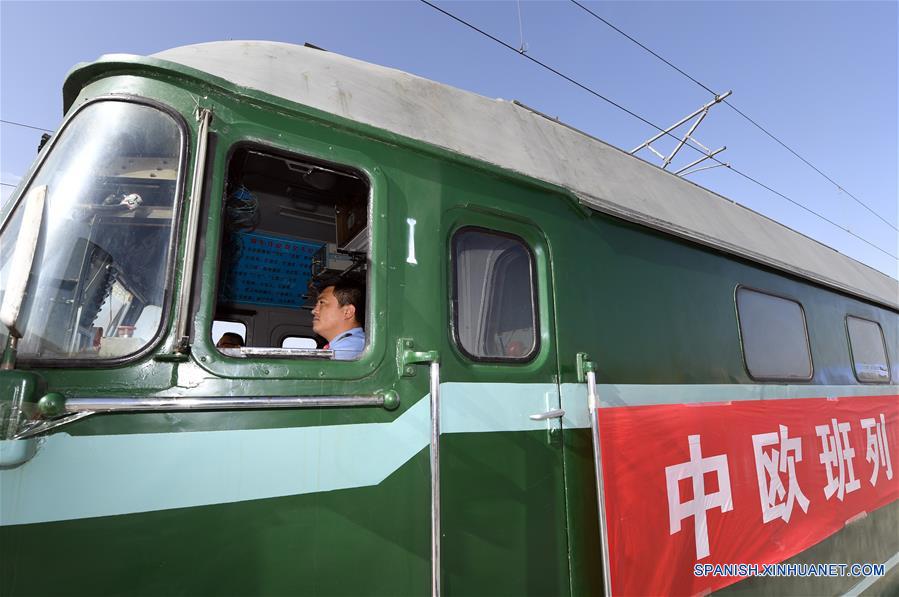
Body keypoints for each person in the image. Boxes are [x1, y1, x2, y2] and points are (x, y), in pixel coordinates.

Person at [312, 276, 365, 360]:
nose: (314, 311)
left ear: (347, 312)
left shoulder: (351, 347)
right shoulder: (342, 345)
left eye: (322, 303)